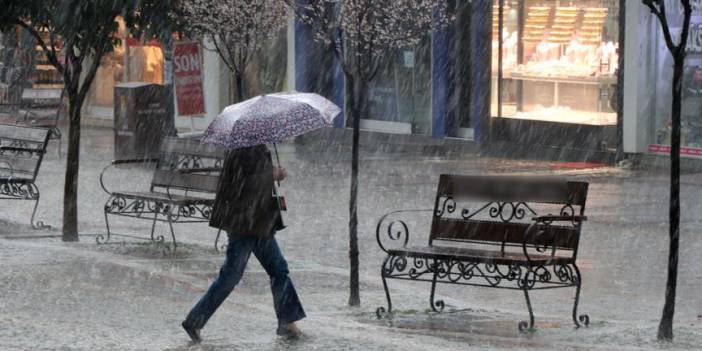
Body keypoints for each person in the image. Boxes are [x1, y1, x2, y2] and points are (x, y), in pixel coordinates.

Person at [181, 145, 305, 344]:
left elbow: (252, 180)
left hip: (259, 223)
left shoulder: (255, 146)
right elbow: (242, 184)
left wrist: (271, 174)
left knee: (279, 269)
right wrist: (271, 174)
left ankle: (287, 322)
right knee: (231, 276)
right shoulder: (243, 149)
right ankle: (195, 320)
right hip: (244, 224)